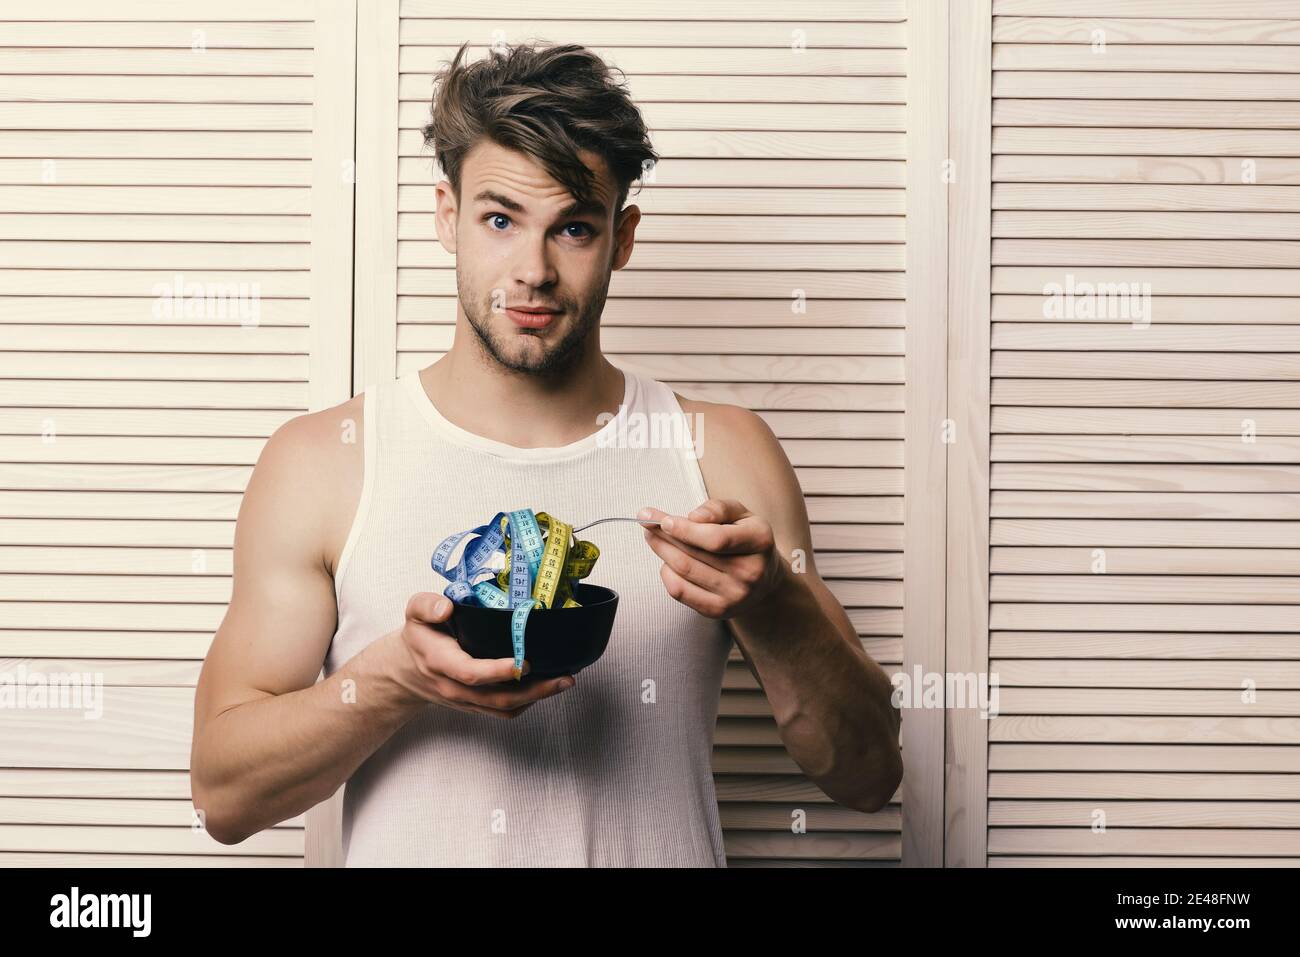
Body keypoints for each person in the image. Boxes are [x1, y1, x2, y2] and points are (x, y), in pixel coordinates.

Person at [190, 40, 901, 867]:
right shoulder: (323, 462)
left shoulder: (722, 452)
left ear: (621, 237)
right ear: (447, 216)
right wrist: (396, 678)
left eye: (572, 227)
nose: (532, 271)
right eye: (500, 219)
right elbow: (223, 795)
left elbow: (869, 773)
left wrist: (776, 604)